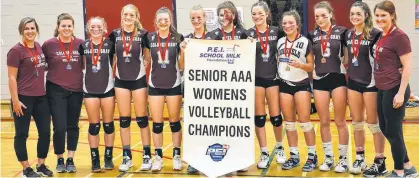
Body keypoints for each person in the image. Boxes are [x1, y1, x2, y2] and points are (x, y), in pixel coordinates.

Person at [373, 1, 417, 177]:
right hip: (382, 88)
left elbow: (407, 67)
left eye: (383, 15)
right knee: (386, 128)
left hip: (394, 89)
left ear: (392, 15)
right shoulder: (382, 35)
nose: (379, 19)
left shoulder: (399, 36)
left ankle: (399, 171)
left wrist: (400, 92)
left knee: (393, 130)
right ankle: (408, 165)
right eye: (377, 15)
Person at [344, 2, 387, 177]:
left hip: (370, 84)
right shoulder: (347, 34)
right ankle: (360, 157)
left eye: (358, 14)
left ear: (366, 15)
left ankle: (379, 160)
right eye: (352, 14)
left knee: (374, 124)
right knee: (357, 124)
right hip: (353, 83)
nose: (354, 17)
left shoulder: (376, 34)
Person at [7, 17, 53, 178]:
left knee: (46, 132)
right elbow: (12, 77)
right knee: (22, 134)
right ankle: (26, 168)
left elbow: (39, 67)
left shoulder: (39, 47)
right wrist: (15, 101)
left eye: (32, 28)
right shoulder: (15, 51)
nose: (30, 31)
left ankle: (41, 165)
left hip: (41, 97)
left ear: (36, 30)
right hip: (23, 99)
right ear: (22, 30)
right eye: (26, 29)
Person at [108, 4, 152, 171]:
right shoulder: (114, 34)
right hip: (121, 81)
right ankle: (127, 156)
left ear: (136, 17)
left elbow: (147, 57)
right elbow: (111, 57)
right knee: (124, 120)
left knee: (142, 119)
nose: (128, 17)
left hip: (138, 80)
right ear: (122, 15)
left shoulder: (143, 35)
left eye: (131, 15)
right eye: (125, 14)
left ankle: (146, 155)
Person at [307, 1, 349, 173]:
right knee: (323, 121)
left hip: (338, 79)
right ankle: (329, 157)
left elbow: (348, 57)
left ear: (331, 14)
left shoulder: (342, 32)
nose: (320, 19)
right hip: (319, 80)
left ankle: (344, 159)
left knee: (340, 121)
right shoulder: (311, 35)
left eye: (324, 15)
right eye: (317, 16)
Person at [42, 13, 84, 173]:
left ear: (73, 27)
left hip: (76, 89)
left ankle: (70, 158)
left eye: (69, 26)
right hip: (56, 89)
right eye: (63, 26)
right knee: (59, 127)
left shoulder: (80, 44)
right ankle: (60, 158)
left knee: (72, 126)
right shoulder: (49, 44)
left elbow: (87, 63)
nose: (66, 28)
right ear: (58, 27)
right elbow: (41, 63)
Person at [277, 10, 317, 172]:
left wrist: (299, 65)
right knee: (290, 123)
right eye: (285, 23)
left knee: (305, 122)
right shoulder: (279, 42)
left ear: (297, 24)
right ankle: (294, 156)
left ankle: (312, 156)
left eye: (291, 23)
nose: (287, 26)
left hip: (301, 84)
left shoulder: (306, 42)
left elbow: (311, 66)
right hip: (284, 84)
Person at [145, 7, 184, 171]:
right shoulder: (149, 38)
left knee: (175, 123)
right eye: (160, 19)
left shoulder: (178, 38)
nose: (163, 22)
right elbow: (147, 59)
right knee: (157, 124)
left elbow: (182, 65)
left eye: (166, 19)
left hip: (174, 84)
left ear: (170, 21)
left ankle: (176, 155)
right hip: (155, 85)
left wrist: (183, 51)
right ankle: (158, 156)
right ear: (155, 21)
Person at [247, 1, 285, 169]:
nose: (257, 16)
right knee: (260, 118)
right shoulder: (247, 34)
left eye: (260, 13)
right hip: (256, 80)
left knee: (276, 118)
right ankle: (263, 151)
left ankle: (279, 147)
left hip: (273, 79)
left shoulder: (277, 31)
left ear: (267, 14)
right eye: (254, 14)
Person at [79, 16, 116, 172]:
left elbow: (113, 62)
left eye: (99, 26)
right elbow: (82, 65)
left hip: (107, 88)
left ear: (104, 27)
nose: (96, 29)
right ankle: (95, 160)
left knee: (108, 125)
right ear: (89, 28)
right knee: (94, 126)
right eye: (93, 26)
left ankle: (108, 158)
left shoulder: (110, 44)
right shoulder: (83, 45)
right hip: (90, 89)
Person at [182, 5, 208, 174]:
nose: (196, 21)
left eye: (199, 18)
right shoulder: (187, 39)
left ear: (204, 18)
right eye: (193, 18)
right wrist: (183, 51)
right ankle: (194, 159)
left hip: (212, 89)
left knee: (210, 124)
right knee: (194, 126)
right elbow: (181, 66)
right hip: (193, 89)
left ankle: (211, 156)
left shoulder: (214, 37)